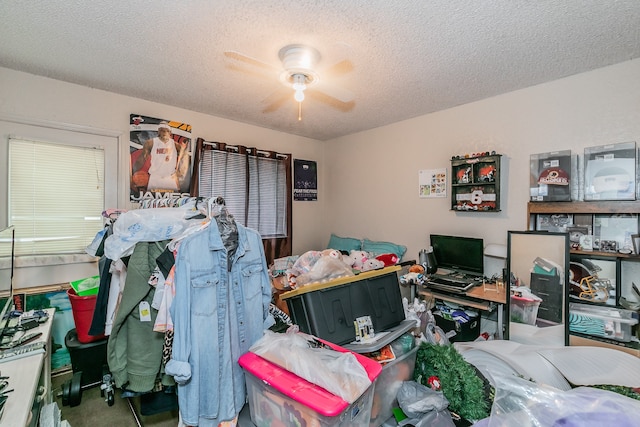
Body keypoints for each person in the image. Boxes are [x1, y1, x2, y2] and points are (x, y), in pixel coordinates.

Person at [132, 121, 186, 192]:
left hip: (169, 178)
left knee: (173, 202)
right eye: (162, 130)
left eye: (166, 131)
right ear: (158, 131)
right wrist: (132, 173)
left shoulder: (175, 145)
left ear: (170, 133)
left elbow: (184, 157)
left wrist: (181, 171)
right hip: (155, 178)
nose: (164, 132)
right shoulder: (150, 143)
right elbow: (141, 159)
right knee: (152, 201)